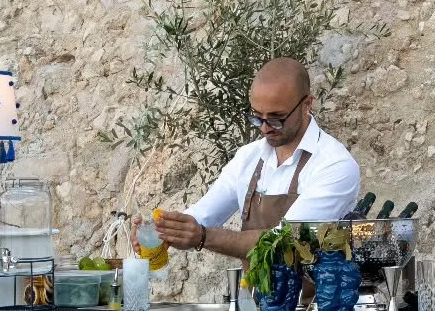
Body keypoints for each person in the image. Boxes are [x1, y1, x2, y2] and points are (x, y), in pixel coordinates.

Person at [154, 58, 360, 259]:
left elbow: (285, 243)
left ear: (307, 104)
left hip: (316, 284)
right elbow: (203, 215)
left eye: (276, 119)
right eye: (257, 117)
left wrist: (204, 237)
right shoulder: (248, 157)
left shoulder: (335, 165)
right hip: (251, 284)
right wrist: (163, 233)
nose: (264, 128)